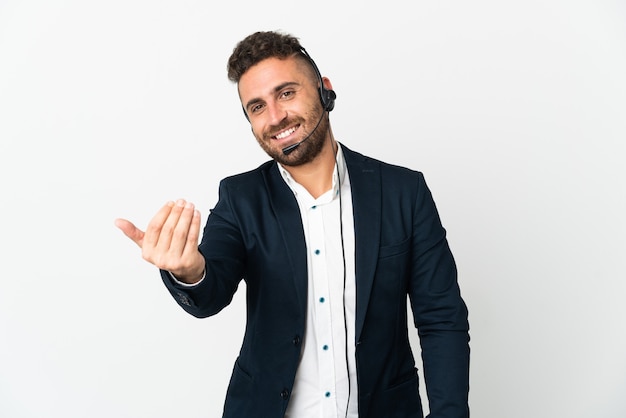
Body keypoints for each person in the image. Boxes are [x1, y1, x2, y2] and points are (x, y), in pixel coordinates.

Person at [115, 30, 470, 418]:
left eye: (286, 93)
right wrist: (189, 271)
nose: (275, 117)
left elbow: (442, 320)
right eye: (257, 107)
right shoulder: (241, 198)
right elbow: (211, 288)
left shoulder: (404, 191)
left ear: (325, 91)